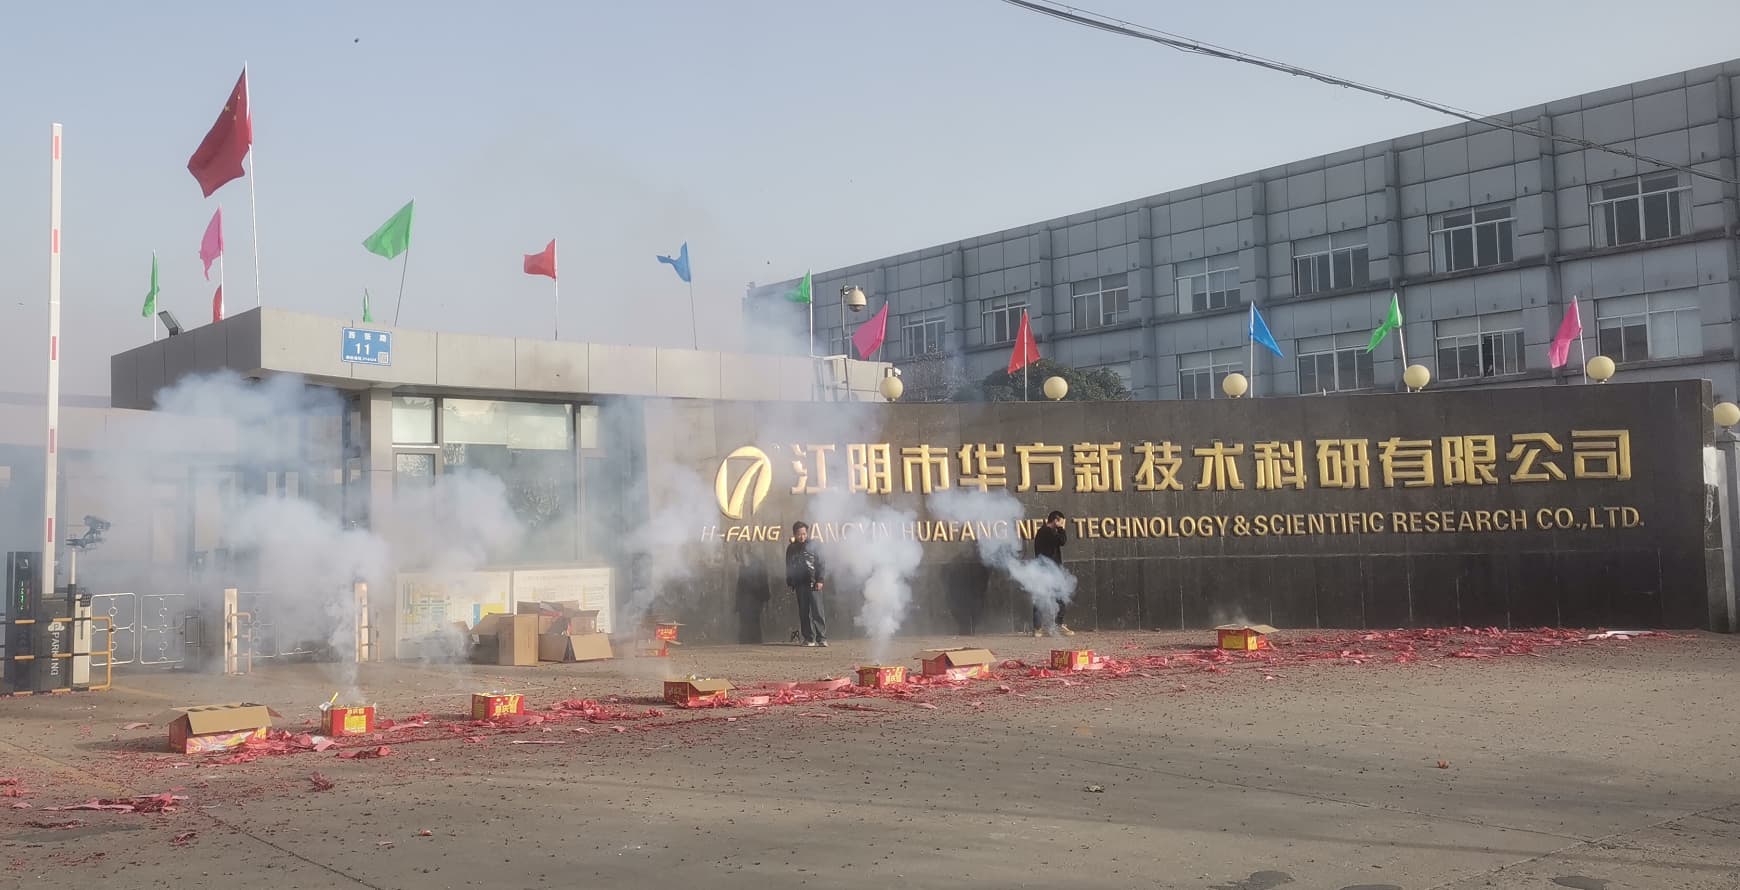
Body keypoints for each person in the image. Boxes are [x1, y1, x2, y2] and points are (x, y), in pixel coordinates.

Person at [784, 521, 827, 647]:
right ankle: (809, 638)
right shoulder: (791, 548)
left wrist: (820, 580)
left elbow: (821, 563)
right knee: (804, 613)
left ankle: (821, 638)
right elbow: (789, 565)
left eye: (804, 534)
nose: (802, 536)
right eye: (799, 534)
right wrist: (790, 581)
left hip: (813, 583)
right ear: (794, 534)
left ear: (807, 533)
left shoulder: (814, 546)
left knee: (817, 611)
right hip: (800, 584)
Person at [1032, 510, 1074, 637]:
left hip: (1051, 571)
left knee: (1058, 598)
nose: (1062, 524)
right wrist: (1061, 529)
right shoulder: (1046, 532)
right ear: (1056, 520)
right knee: (1043, 598)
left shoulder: (1046, 532)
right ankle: (1040, 627)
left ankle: (1054, 626)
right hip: (1046, 571)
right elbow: (1062, 541)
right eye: (1061, 522)